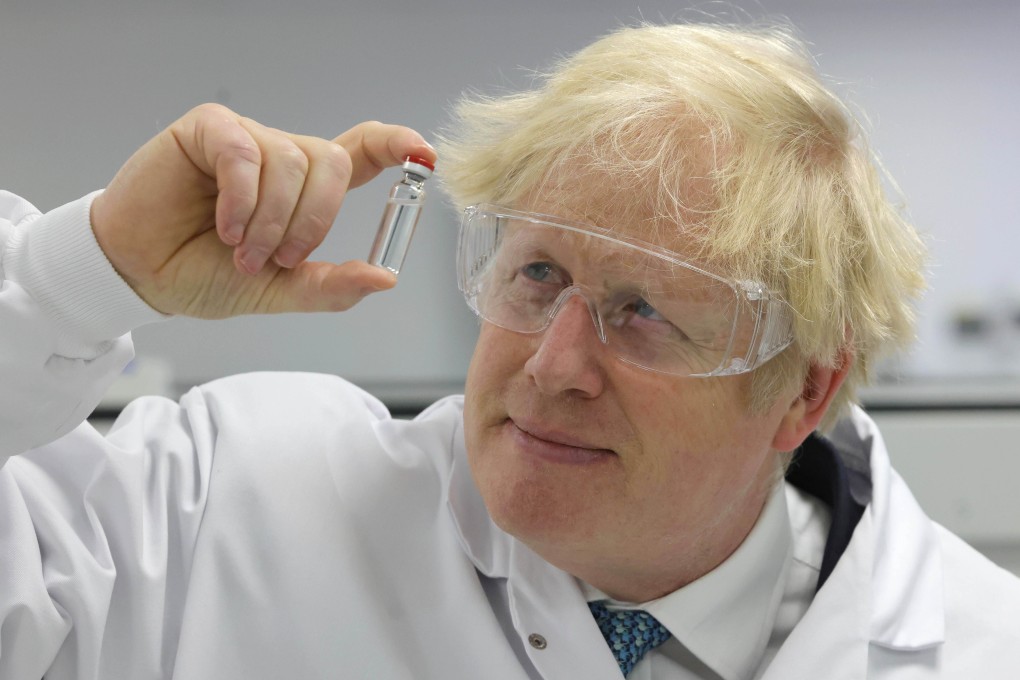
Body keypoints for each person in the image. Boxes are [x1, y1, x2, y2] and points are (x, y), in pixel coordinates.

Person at [1, 20, 1018, 680]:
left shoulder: (987, 649)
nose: (551, 364)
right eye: (535, 276)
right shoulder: (225, 503)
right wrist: (69, 281)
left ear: (804, 388)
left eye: (645, 311)